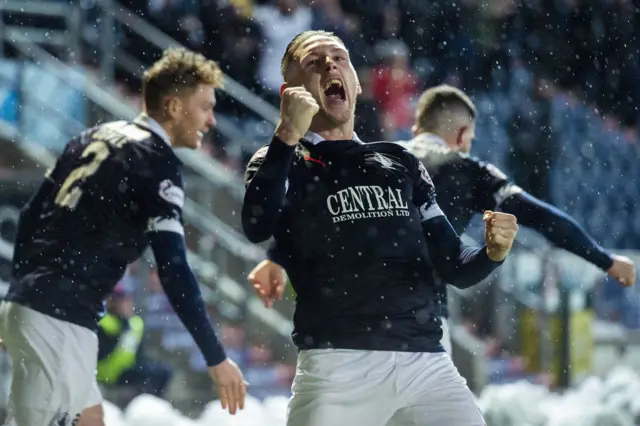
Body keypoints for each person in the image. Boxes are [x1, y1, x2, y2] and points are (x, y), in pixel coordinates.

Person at [241, 30, 519, 426]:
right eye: (314, 63)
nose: (330, 67)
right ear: (290, 91)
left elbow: (455, 265)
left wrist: (493, 252)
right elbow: (256, 224)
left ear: (356, 82)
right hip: (338, 364)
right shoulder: (279, 159)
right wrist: (287, 133)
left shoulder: (400, 161)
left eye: (339, 59)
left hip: (426, 364)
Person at [250, 84, 637, 355]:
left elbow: (312, 208)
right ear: (464, 134)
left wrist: (275, 256)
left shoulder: (377, 158)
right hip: (420, 324)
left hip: (348, 320)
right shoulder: (469, 168)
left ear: (417, 126)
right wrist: (605, 259)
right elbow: (540, 216)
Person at [0, 47, 247, 426]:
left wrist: (20, 292)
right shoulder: (155, 160)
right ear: (174, 106)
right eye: (204, 107)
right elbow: (174, 268)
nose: (211, 120)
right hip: (57, 320)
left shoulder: (91, 136)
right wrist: (216, 357)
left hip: (51, 312)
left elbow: (32, 214)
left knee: (91, 419)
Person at [96, 284, 173, 398]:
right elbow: (103, 353)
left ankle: (151, 404)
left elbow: (139, 353)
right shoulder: (104, 322)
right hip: (106, 373)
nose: (129, 305)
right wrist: (121, 330)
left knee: (162, 371)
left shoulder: (135, 324)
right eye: (124, 301)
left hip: (128, 369)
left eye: (129, 301)